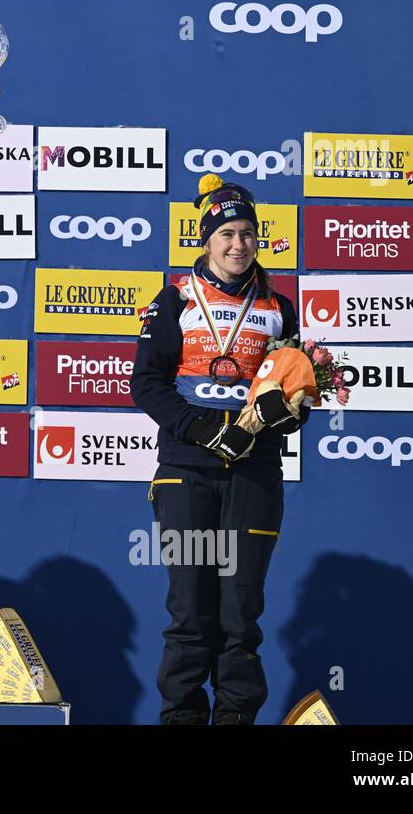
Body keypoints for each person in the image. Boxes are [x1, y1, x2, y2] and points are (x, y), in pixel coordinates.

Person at [130, 175, 308, 724]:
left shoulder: (278, 306)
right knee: (190, 612)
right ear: (205, 239)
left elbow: (295, 393)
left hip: (254, 475)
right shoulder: (175, 299)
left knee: (241, 615)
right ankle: (181, 718)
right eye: (226, 233)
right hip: (188, 473)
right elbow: (147, 384)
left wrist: (283, 414)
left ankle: (235, 720)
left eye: (248, 234)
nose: (238, 245)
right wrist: (205, 430)